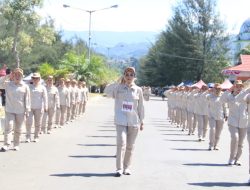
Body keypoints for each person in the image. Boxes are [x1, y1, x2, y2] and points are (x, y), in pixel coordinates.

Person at [104, 67, 144, 177]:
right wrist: (117, 81)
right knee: (121, 143)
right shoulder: (118, 88)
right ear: (124, 76)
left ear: (134, 77)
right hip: (121, 120)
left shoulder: (138, 90)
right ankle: (119, 168)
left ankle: (127, 167)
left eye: (131, 75)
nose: (129, 77)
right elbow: (106, 91)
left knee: (130, 146)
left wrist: (142, 121)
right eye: (127, 74)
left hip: (133, 121)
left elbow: (141, 107)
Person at [0, 68, 30, 151]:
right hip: (10, 110)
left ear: (22, 76)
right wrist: (7, 76)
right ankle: (6, 144)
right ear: (13, 75)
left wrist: (27, 111)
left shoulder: (25, 86)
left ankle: (16, 144)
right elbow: (0, 83)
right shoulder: (8, 84)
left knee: (18, 128)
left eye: (19, 74)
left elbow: (27, 99)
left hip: (20, 111)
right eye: (15, 74)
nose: (17, 76)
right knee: (9, 126)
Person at [26, 72, 48, 143]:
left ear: (39, 79)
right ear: (32, 79)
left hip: (39, 107)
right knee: (29, 123)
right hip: (30, 107)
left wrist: (45, 106)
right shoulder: (28, 86)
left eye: (37, 78)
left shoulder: (42, 87)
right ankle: (28, 137)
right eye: (34, 78)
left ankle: (36, 136)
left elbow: (45, 97)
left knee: (38, 123)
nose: (35, 79)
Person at [207, 83, 228, 150]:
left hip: (220, 116)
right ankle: (211, 144)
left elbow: (225, 106)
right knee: (212, 130)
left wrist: (226, 114)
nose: (217, 90)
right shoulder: (209, 96)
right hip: (211, 115)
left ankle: (216, 145)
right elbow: (205, 100)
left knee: (218, 132)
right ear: (213, 89)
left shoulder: (222, 96)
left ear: (221, 89)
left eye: (219, 88)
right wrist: (209, 91)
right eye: (216, 88)